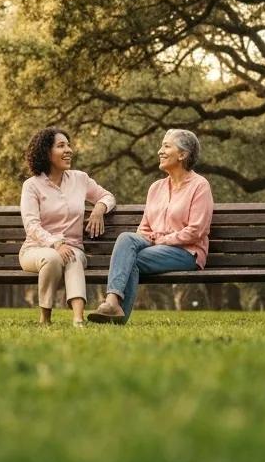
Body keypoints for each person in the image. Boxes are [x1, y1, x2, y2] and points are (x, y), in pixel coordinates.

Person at [88, 129, 213, 325]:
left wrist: (161, 239)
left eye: (166, 146)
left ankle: (112, 306)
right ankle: (114, 309)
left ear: (183, 154)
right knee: (127, 241)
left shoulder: (200, 185)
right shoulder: (156, 187)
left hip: (187, 252)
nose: (159, 151)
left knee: (131, 258)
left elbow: (196, 231)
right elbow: (145, 228)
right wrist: (149, 241)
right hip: (156, 247)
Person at [19, 128, 115, 327]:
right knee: (54, 257)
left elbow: (108, 196)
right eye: (61, 146)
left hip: (74, 248)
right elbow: (31, 225)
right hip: (35, 250)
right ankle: (45, 318)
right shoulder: (32, 185)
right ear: (46, 152)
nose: (68, 150)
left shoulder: (80, 179)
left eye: (68, 145)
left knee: (71, 256)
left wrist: (99, 208)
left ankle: (78, 319)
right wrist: (56, 243)